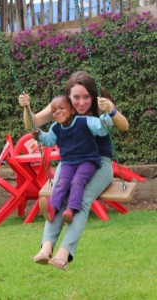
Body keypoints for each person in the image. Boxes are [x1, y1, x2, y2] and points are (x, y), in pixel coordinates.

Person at [19, 71, 129, 270]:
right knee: (58, 197)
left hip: (99, 162)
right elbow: (33, 123)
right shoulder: (63, 107)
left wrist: (111, 110)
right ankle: (46, 248)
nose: (81, 102)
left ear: (93, 96)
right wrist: (26, 107)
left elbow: (124, 126)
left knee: (82, 199)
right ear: (69, 97)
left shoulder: (100, 106)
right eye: (76, 97)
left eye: (86, 97)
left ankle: (65, 252)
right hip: (70, 161)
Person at [32, 95, 113, 224]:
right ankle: (52, 208)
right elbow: (49, 141)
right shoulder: (56, 128)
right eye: (53, 111)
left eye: (61, 108)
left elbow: (101, 128)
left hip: (88, 161)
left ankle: (71, 209)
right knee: (61, 182)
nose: (57, 112)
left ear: (73, 110)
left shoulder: (84, 121)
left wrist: (106, 117)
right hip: (68, 162)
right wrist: (39, 135)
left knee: (77, 180)